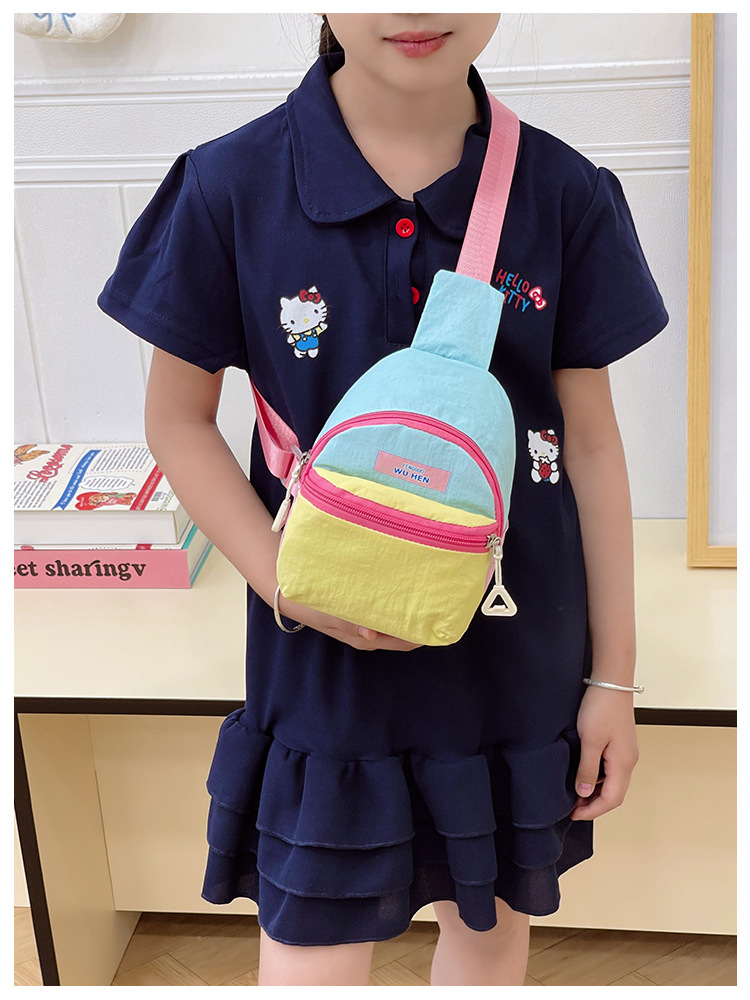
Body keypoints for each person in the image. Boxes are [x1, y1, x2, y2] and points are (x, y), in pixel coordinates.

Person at [97, 13, 668, 987]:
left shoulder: (564, 192)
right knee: (310, 944)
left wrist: (613, 680)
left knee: (489, 925)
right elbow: (177, 421)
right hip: (321, 663)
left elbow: (592, 444)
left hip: (512, 654)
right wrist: (287, 585)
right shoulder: (229, 185)